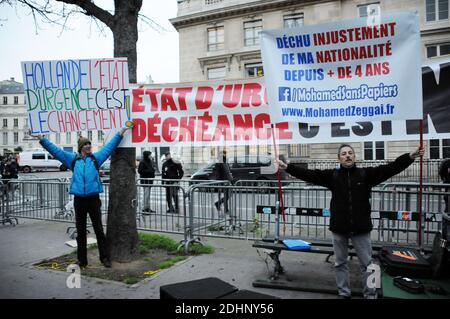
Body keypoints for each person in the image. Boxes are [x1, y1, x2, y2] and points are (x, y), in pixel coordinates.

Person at [277, 144, 425, 299]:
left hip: (361, 229)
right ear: (339, 158)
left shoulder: (366, 174)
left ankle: (371, 295)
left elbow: (391, 168)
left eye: (350, 153)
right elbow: (308, 174)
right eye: (343, 154)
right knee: (340, 264)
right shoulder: (332, 176)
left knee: (369, 265)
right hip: (339, 229)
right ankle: (344, 294)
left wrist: (410, 157)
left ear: (355, 156)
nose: (347, 156)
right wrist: (287, 167)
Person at [36, 127, 131, 268]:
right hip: (79, 200)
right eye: (86, 145)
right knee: (80, 231)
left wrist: (120, 134)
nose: (88, 146)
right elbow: (55, 151)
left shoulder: (96, 158)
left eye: (89, 144)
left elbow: (109, 147)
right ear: (81, 148)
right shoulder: (72, 160)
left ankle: (104, 258)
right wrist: (42, 140)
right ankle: (82, 260)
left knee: (98, 229)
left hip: (93, 199)